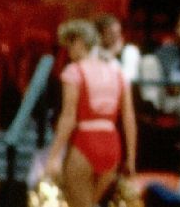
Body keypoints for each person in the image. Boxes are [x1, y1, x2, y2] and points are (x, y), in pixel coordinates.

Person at [45, 19, 138, 207]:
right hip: (112, 146)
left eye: (70, 45)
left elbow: (68, 117)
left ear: (79, 42)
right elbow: (128, 118)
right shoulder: (118, 72)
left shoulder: (74, 71)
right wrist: (131, 157)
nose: (68, 52)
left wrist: (53, 156)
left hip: (85, 142)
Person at [94, 14, 141, 83]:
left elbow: (128, 78)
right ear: (100, 35)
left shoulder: (130, 51)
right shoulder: (94, 51)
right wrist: (111, 54)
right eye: (111, 34)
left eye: (118, 32)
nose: (116, 37)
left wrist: (111, 57)